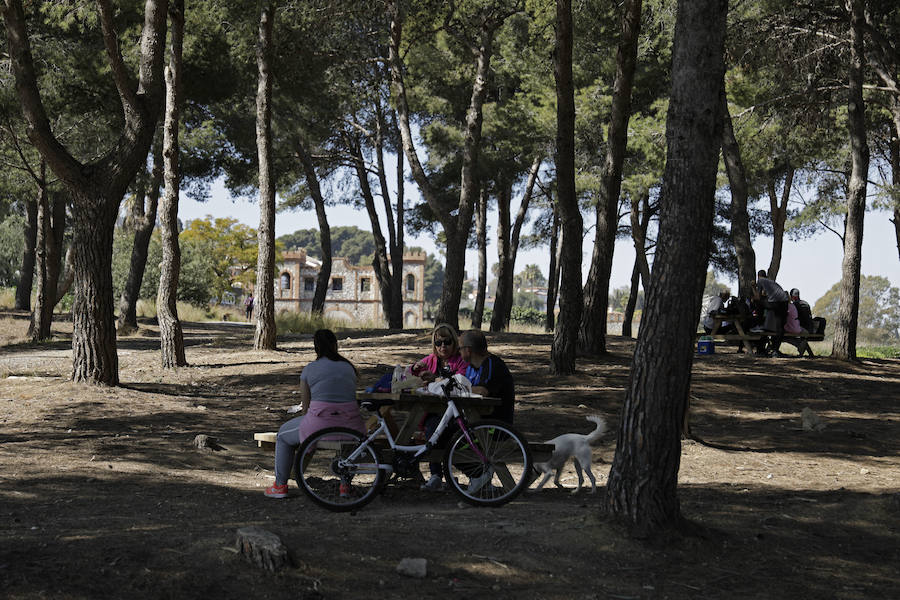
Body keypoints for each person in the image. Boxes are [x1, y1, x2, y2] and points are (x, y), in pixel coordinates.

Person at [265, 329, 365, 498]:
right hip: (351, 426)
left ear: (316, 347)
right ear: (335, 345)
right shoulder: (349, 368)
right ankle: (345, 486)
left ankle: (280, 485)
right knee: (349, 442)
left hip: (319, 426)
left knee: (282, 435)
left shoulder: (310, 370)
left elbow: (306, 409)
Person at [412, 323, 469, 491]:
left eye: (447, 342)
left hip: (455, 412)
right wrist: (415, 369)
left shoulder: (460, 361)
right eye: (438, 343)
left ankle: (440, 474)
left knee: (436, 433)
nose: (443, 346)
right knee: (431, 429)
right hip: (431, 411)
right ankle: (436, 475)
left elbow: (460, 382)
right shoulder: (431, 360)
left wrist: (435, 378)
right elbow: (411, 372)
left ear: (455, 343)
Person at [459, 330, 515, 424]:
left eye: (459, 348)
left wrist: (457, 388)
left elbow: (482, 391)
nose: (459, 352)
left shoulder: (493, 365)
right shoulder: (471, 366)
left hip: (495, 424)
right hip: (477, 415)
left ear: (468, 350)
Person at [751, 269, 790, 356]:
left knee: (759, 302)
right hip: (784, 302)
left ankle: (760, 324)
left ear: (758, 276)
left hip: (776, 303)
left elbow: (758, 297)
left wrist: (753, 287)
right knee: (780, 327)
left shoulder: (760, 280)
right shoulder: (770, 282)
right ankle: (775, 350)